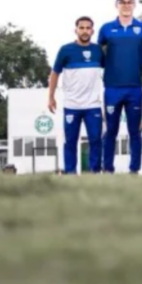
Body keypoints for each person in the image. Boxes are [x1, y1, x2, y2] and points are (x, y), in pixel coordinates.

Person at [98, 0, 142, 174]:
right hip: (112, 88)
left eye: (130, 2)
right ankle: (108, 169)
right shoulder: (106, 28)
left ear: (134, 5)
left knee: (135, 132)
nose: (126, 5)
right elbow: (98, 52)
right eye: (123, 2)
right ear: (116, 5)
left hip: (134, 88)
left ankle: (134, 170)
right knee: (110, 131)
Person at [47, 17, 104, 174]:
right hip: (72, 105)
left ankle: (95, 173)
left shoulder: (98, 50)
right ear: (76, 30)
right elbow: (54, 73)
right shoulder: (66, 50)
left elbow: (109, 71)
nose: (85, 31)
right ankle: (70, 174)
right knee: (70, 142)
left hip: (93, 105)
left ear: (92, 31)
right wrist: (51, 97)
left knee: (96, 141)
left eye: (88, 28)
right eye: (82, 28)